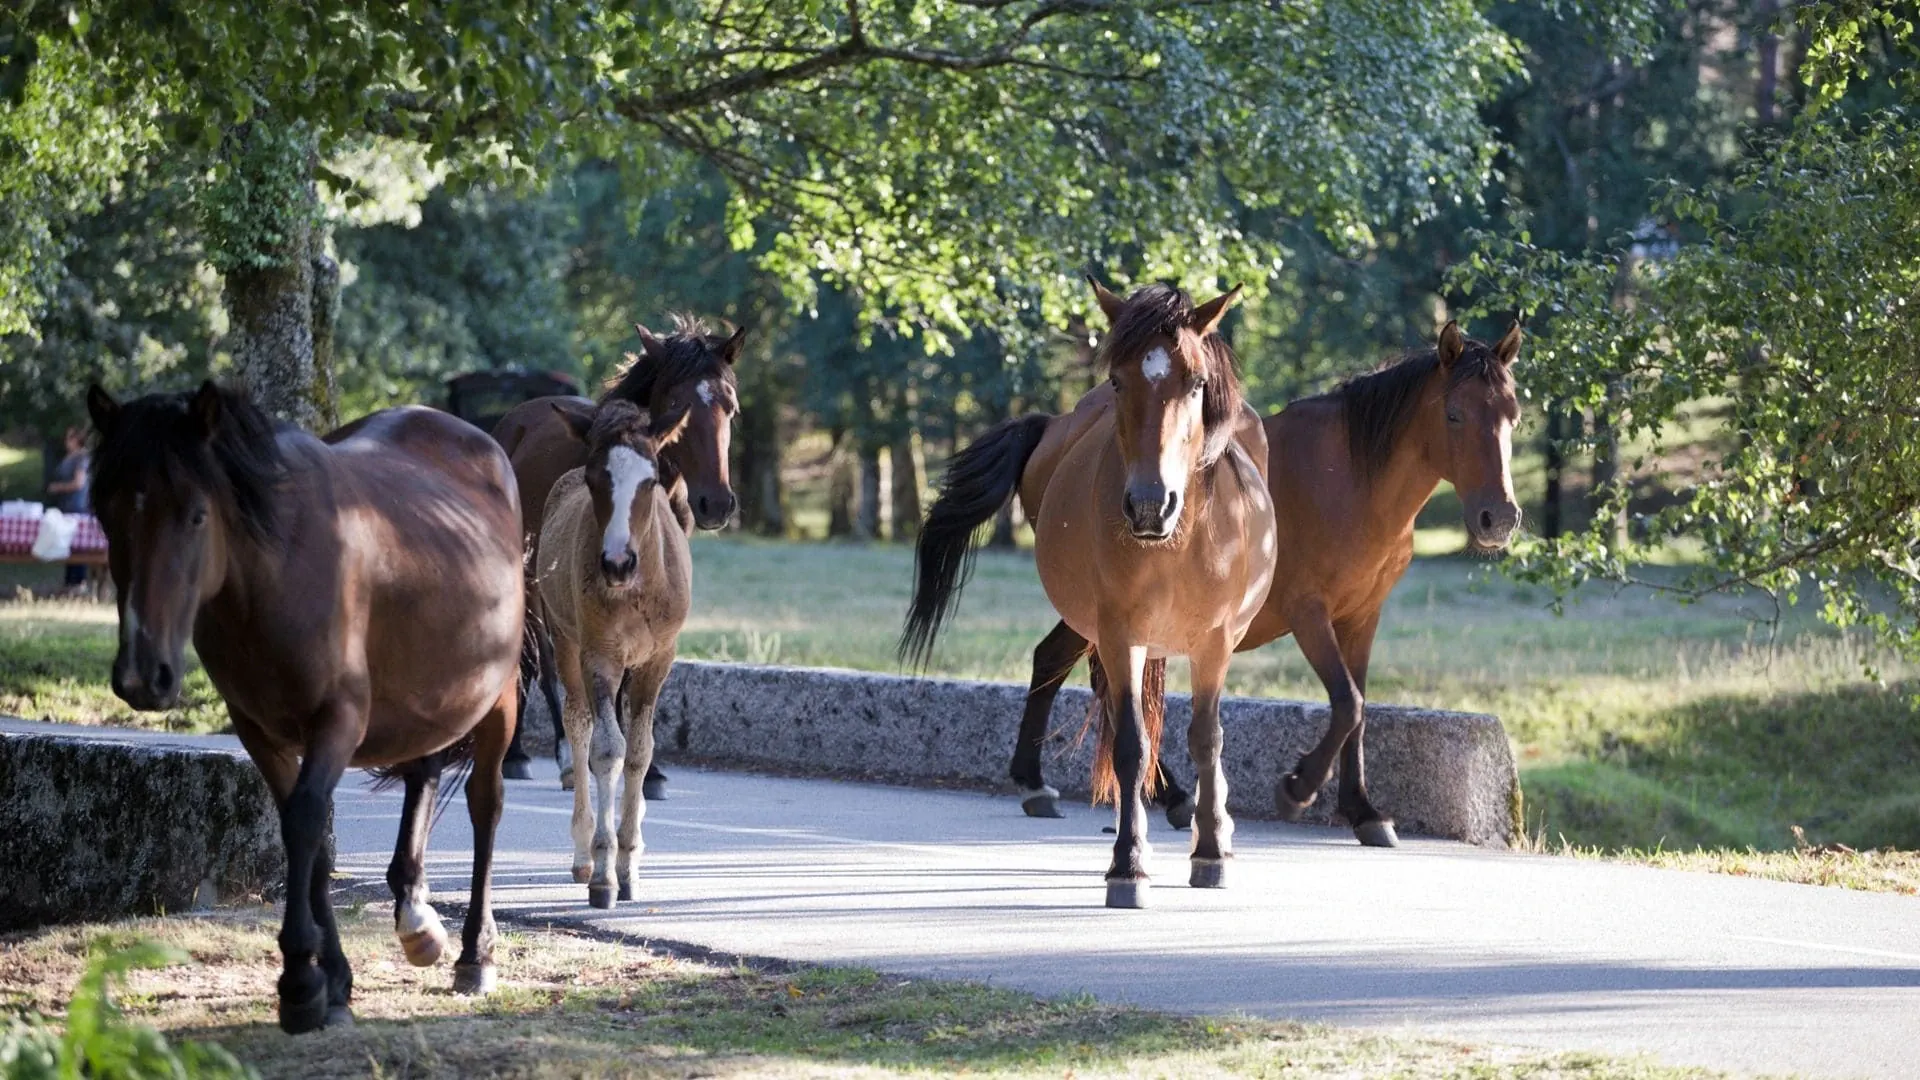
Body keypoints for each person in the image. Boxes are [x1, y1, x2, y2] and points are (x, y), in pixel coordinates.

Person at [45, 426, 90, 590]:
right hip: (66, 506)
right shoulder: (69, 457)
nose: (66, 441)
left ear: (77, 439)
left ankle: (79, 582)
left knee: (78, 544)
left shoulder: (81, 458)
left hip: (77, 506)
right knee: (68, 544)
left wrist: (58, 488)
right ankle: (70, 581)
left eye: (69, 438)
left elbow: (79, 483)